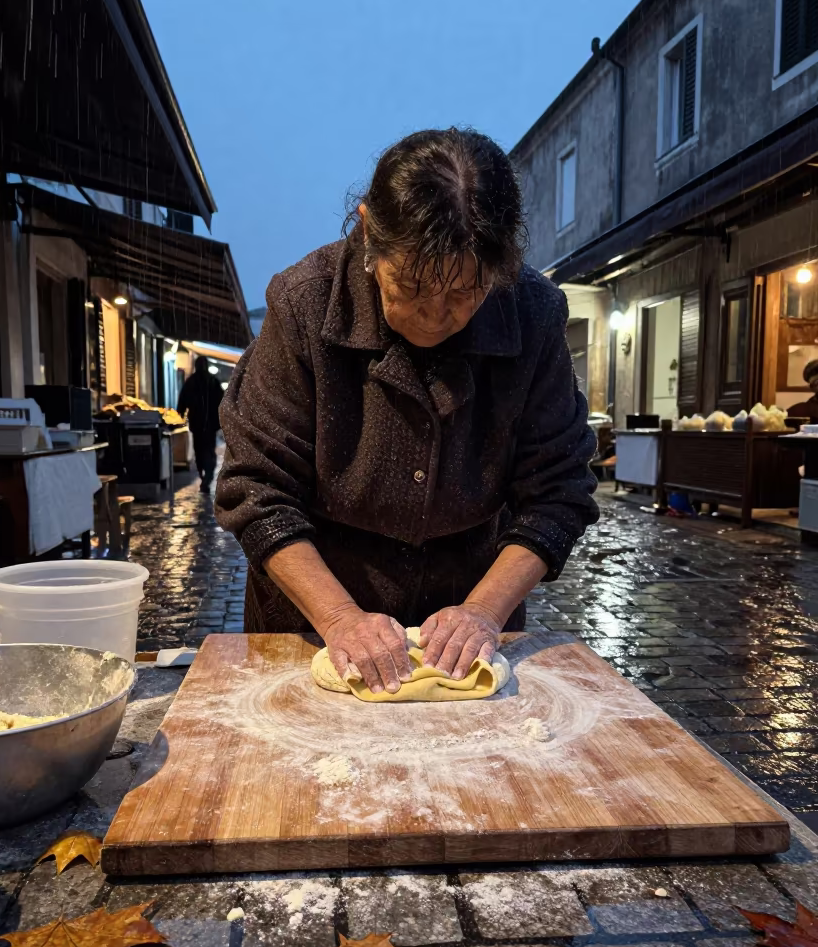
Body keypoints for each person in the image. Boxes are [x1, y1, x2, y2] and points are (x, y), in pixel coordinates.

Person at [215, 128, 598, 694]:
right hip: (311, 619)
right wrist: (341, 619)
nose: (434, 316)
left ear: (499, 267)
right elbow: (255, 488)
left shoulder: (534, 314)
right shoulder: (303, 303)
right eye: (413, 286)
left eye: (465, 292)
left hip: (467, 622)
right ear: (369, 233)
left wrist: (484, 612)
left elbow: (558, 491)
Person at [177, 356, 224, 493]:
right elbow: (222, 402)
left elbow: (182, 400)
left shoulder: (191, 382)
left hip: (198, 424)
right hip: (209, 425)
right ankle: (206, 477)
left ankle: (205, 476)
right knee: (208, 451)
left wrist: (180, 413)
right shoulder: (213, 382)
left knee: (200, 451)